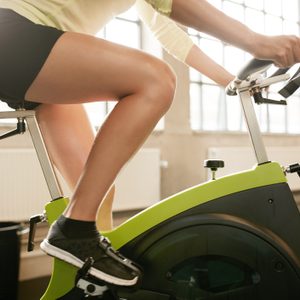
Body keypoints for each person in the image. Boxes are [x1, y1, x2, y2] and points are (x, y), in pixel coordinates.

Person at [0, 0, 300, 287]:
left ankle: (84, 284)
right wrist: (259, 43)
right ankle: (72, 231)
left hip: (38, 47)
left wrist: (232, 82)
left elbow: (166, 29)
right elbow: (172, 3)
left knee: (93, 193)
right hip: (15, 35)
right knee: (156, 80)